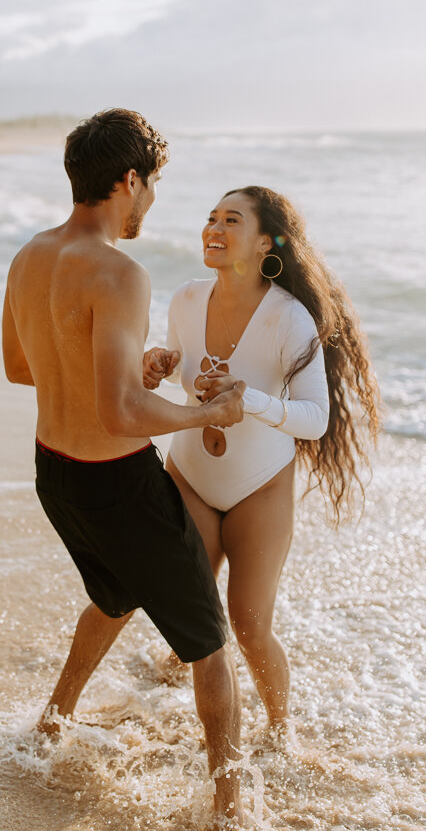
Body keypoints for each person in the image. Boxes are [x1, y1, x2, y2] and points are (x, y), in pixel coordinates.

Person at [2, 109, 247, 822]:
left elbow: (24, 368)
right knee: (207, 642)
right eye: (152, 186)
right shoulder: (117, 271)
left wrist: (123, 373)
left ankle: (52, 719)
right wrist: (207, 414)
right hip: (117, 481)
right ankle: (231, 808)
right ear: (129, 180)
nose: (152, 202)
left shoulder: (29, 256)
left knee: (114, 594)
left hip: (56, 474)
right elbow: (122, 418)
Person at [145, 185, 380, 736]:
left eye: (232, 221)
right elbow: (183, 363)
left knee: (249, 626)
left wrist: (245, 397)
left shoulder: (289, 317)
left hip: (259, 486)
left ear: (265, 242)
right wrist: (159, 360)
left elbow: (314, 419)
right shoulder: (185, 298)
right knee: (190, 617)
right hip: (191, 476)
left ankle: (281, 732)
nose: (215, 229)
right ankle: (169, 689)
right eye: (211, 218)